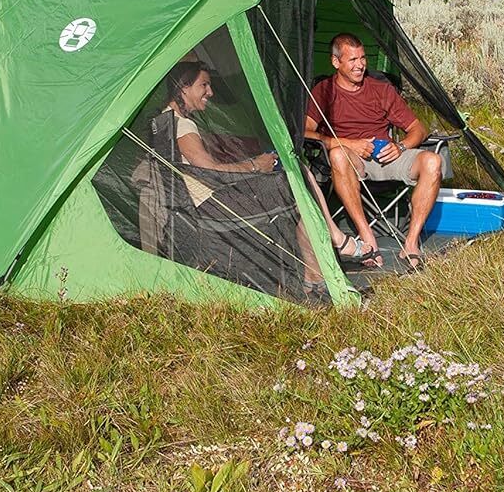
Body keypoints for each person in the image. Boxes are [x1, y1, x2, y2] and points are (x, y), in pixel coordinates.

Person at [161, 61, 356, 296]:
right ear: (184, 87)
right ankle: (324, 255)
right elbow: (208, 169)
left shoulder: (166, 118)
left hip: (201, 203)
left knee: (296, 179)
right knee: (297, 179)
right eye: (204, 85)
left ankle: (317, 266)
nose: (210, 93)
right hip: (213, 208)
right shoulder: (182, 124)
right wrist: (255, 166)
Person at [303, 32, 443, 272]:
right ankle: (367, 238)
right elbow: (305, 133)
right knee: (338, 154)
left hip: (386, 156)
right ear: (336, 62)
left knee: (432, 161)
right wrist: (347, 143)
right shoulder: (323, 91)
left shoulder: (381, 90)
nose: (360, 65)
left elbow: (417, 128)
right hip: (352, 159)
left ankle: (410, 244)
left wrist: (400, 146)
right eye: (352, 60)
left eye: (362, 58)